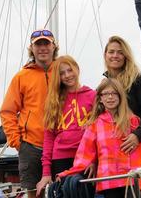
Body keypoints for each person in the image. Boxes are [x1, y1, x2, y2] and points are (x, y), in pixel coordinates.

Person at [58, 78, 141, 198]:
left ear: (120, 96)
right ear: (100, 98)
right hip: (108, 182)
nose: (110, 97)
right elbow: (83, 156)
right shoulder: (94, 124)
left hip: (131, 180)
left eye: (114, 93)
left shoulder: (132, 121)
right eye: (106, 94)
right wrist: (66, 174)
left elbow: (140, 156)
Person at [0, 29, 59, 198]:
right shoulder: (21, 77)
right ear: (31, 49)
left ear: (54, 46)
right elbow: (7, 111)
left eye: (46, 43)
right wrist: (17, 142)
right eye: (38, 44)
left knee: (64, 191)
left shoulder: (63, 72)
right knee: (34, 194)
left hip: (60, 145)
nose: (42, 48)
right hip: (31, 146)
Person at [36, 55, 96, 196]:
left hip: (85, 160)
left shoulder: (93, 96)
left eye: (70, 70)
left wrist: (95, 160)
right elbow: (48, 138)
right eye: (62, 73)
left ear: (77, 69)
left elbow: (99, 134)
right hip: (60, 159)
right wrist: (46, 172)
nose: (67, 75)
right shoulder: (54, 101)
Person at [103, 36, 141, 197]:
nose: (115, 56)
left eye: (120, 52)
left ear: (126, 56)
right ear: (105, 55)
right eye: (111, 52)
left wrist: (138, 135)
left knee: (139, 193)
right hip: (113, 149)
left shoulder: (138, 80)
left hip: (137, 145)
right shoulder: (104, 85)